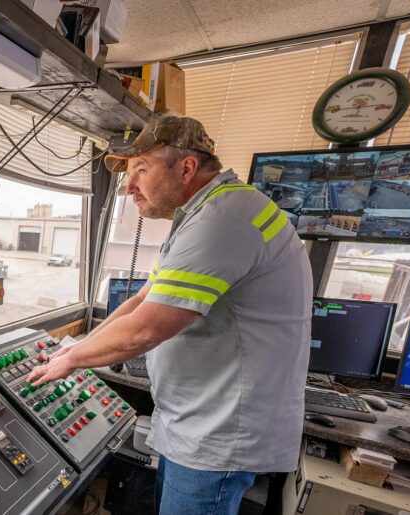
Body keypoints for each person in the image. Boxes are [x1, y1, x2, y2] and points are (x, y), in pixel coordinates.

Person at [27, 116, 312, 515]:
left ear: (186, 168)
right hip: (197, 422)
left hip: (218, 432)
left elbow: (146, 329)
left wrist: (71, 360)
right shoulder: (208, 212)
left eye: (140, 170)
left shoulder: (221, 221)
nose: (129, 187)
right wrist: (76, 346)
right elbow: (141, 301)